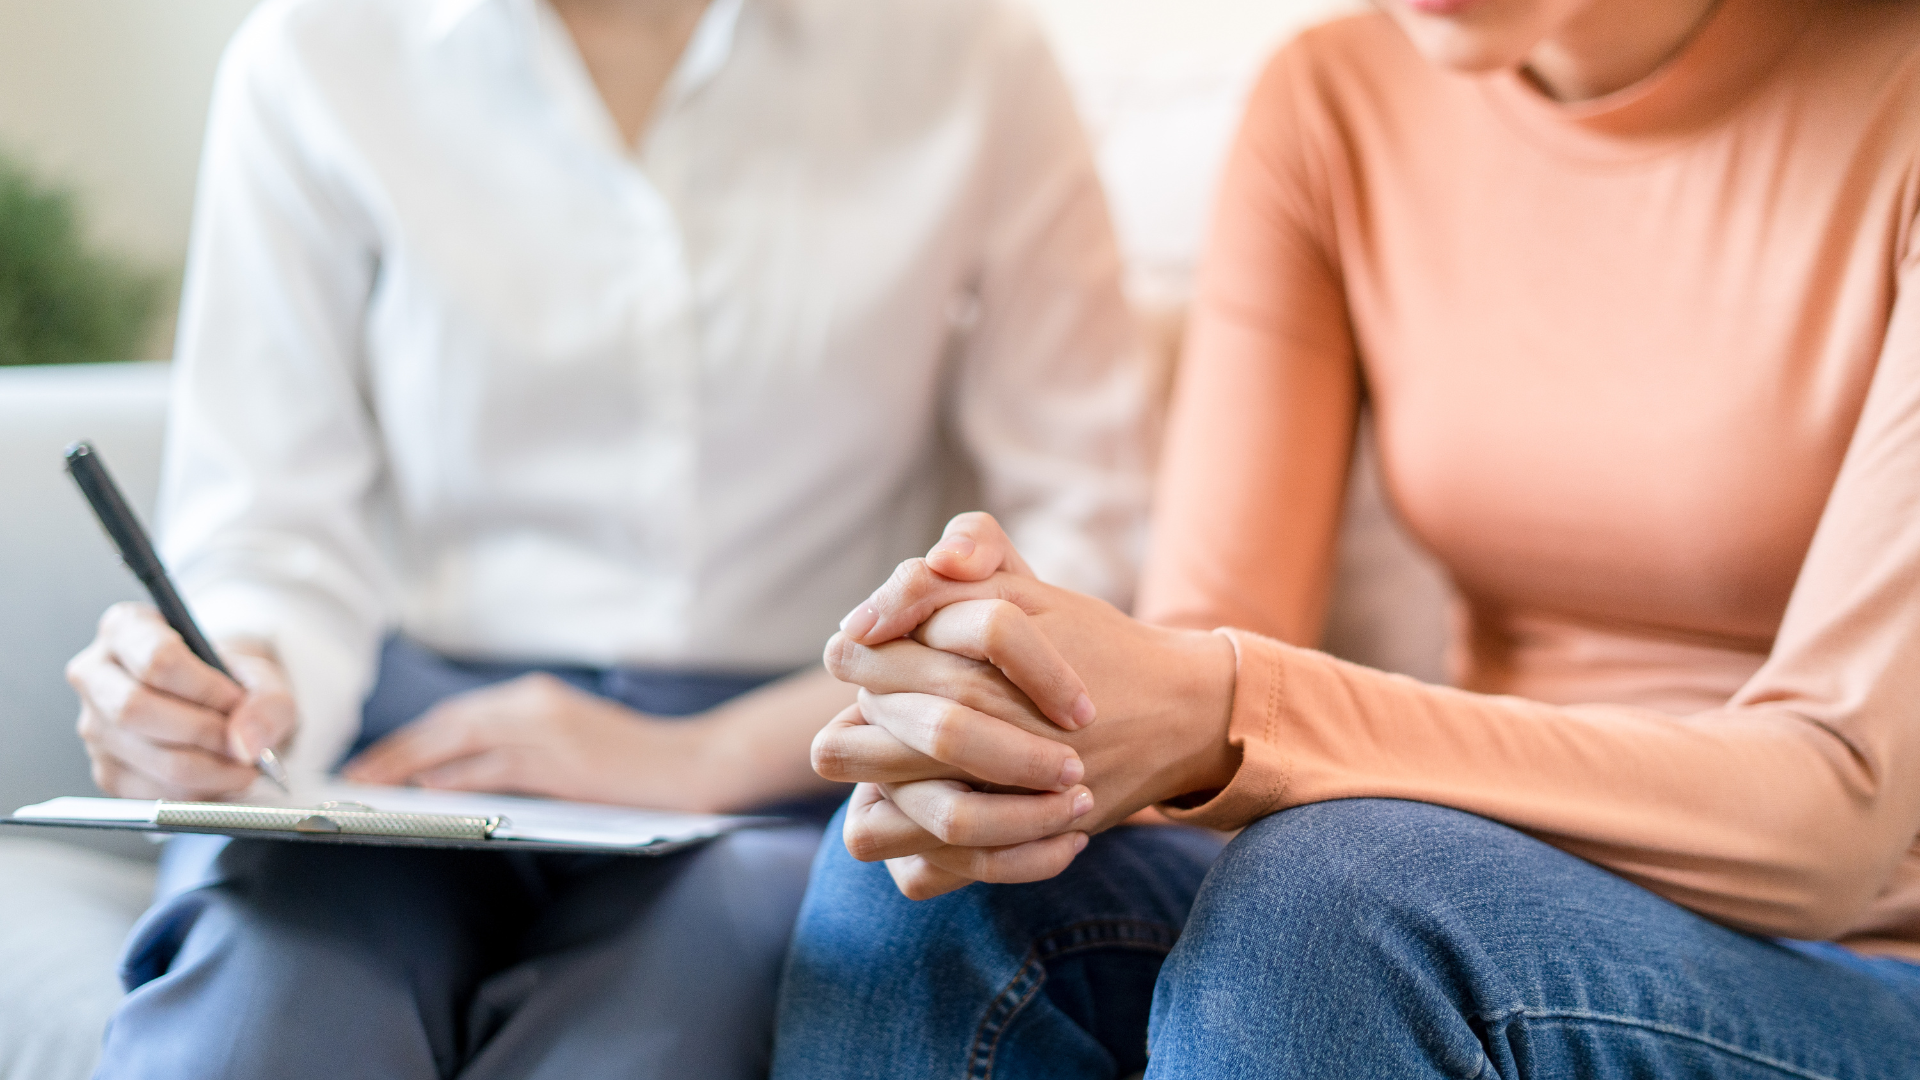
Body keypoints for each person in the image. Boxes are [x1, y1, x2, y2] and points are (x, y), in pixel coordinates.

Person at [774, 0, 1920, 1075]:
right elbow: (1202, 646)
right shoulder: (1338, 100)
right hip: (1480, 902)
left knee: (1330, 908)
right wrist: (1029, 723)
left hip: (1863, 965)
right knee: (923, 882)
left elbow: (1839, 813)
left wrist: (1230, 707)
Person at [59, 0, 1152, 1075]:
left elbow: (1085, 550)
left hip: (794, 761)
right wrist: (230, 689)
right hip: (413, 756)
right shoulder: (315, 52)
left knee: (655, 1019)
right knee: (262, 1006)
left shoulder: (970, 53)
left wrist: (711, 755)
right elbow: (270, 531)